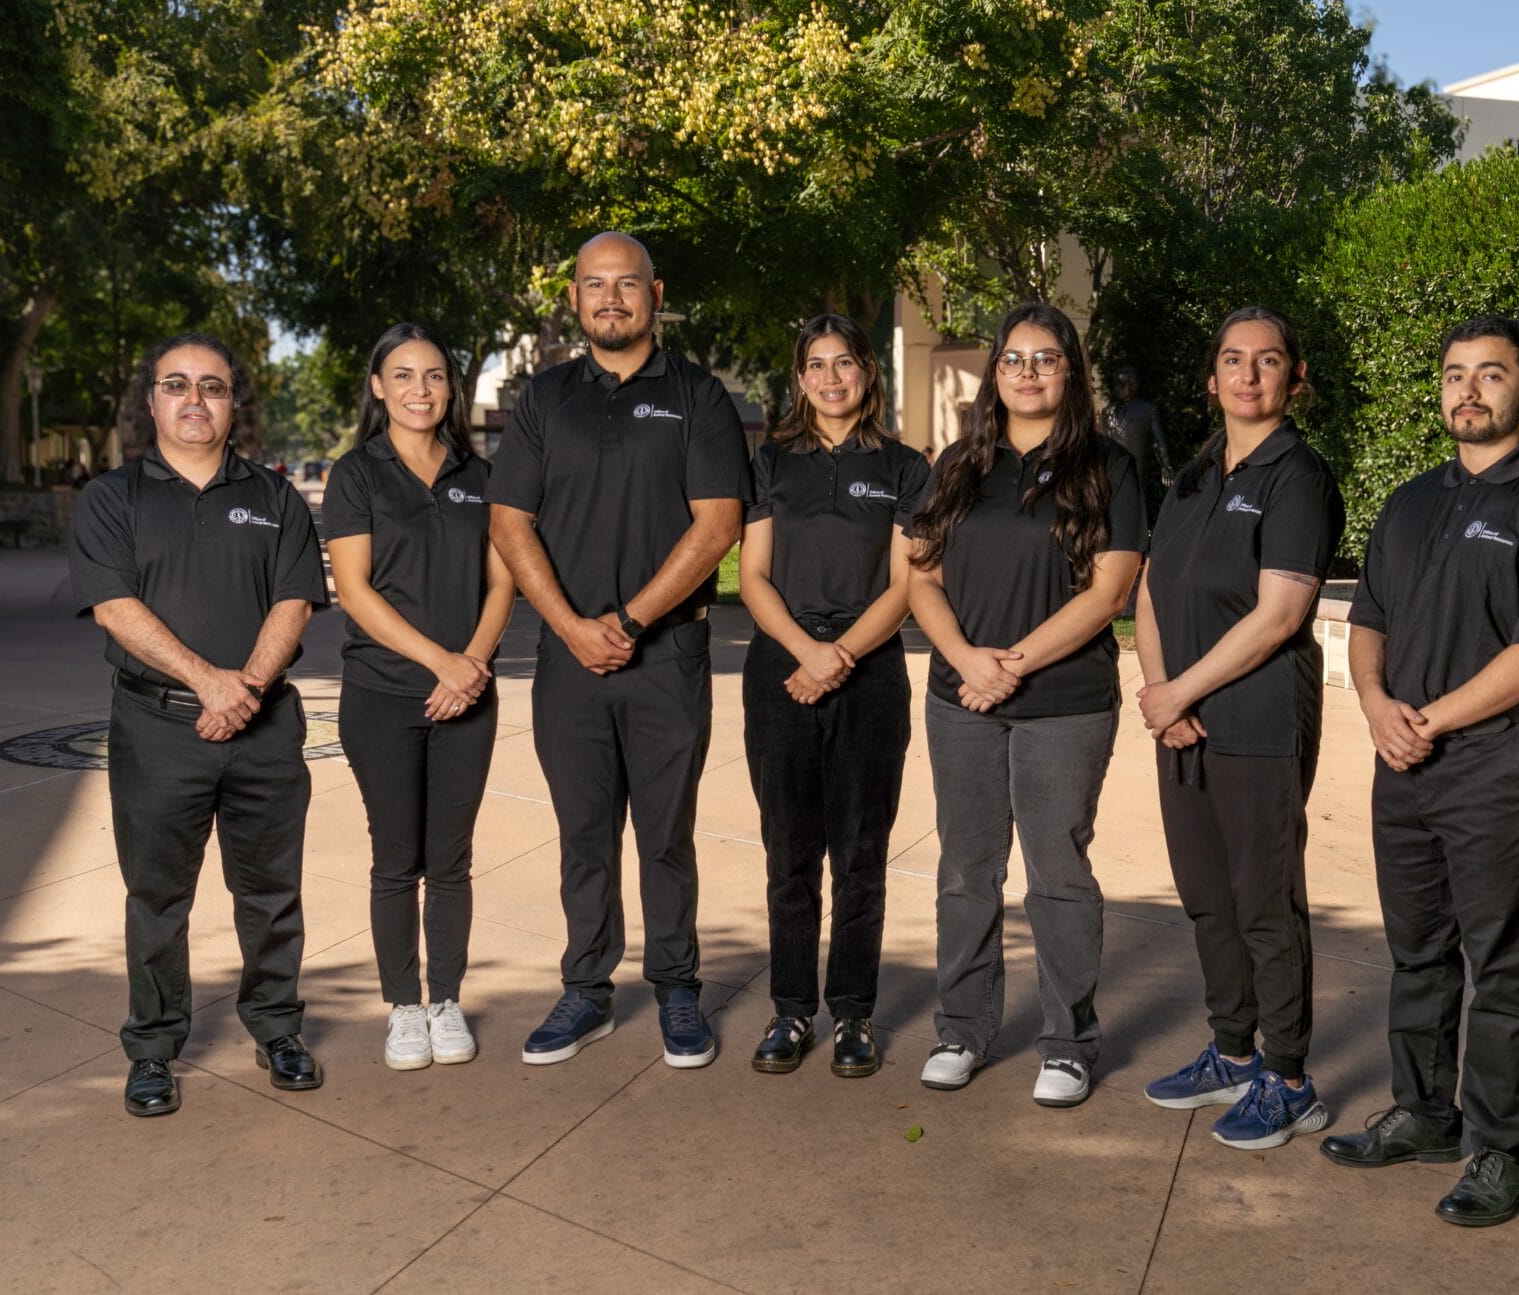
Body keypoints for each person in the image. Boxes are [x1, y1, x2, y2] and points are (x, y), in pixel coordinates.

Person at [1320, 315, 1519, 1228]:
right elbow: (1369, 621)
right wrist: (1373, 704)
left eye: (1491, 374)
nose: (1468, 390)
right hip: (1401, 759)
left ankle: (1502, 1150)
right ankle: (1425, 1112)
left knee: (1505, 966)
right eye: (1454, 374)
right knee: (1416, 951)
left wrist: (1425, 720)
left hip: (1492, 766)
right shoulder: (1407, 502)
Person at [489, 232, 749, 1070]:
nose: (611, 298)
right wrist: (570, 626)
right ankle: (587, 991)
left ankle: (677, 987)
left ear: (655, 293)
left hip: (666, 656)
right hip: (566, 658)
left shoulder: (698, 396)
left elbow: (717, 527)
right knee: (583, 832)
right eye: (594, 285)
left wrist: (629, 623)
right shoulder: (543, 398)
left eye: (626, 284)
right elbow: (508, 522)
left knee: (665, 833)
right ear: (573, 299)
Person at [68, 332, 328, 1116]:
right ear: (152, 402)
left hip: (264, 727)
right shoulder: (112, 498)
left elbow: (294, 602)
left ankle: (278, 1028)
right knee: (157, 898)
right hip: (156, 730)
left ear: (231, 403)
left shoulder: (275, 497)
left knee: (271, 892)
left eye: (211, 387)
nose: (193, 399)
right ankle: (152, 1048)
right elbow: (116, 607)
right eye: (176, 385)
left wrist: (243, 688)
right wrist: (208, 684)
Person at [905, 303, 1145, 1108]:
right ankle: (961, 1029)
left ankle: (1068, 1043)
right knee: (967, 868)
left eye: (1047, 359)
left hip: (1065, 704)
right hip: (959, 696)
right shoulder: (958, 464)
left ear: (1070, 371)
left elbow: (1109, 590)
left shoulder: (1109, 464)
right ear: (995, 371)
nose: (1029, 372)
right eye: (1015, 359)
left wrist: (1011, 665)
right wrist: (968, 659)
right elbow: (922, 576)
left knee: (1057, 872)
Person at [1134, 307, 1345, 1150]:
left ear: (1296, 380)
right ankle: (1230, 1050)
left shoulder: (1300, 476)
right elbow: (1151, 590)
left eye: (1267, 361)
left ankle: (1289, 1077)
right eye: (1232, 359)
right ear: (1211, 378)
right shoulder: (1192, 474)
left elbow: (1280, 613)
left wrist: (1179, 688)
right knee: (1207, 898)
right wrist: (1160, 691)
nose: (1247, 374)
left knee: (1264, 902)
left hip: (1256, 721)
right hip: (1180, 721)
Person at [738, 314, 928, 1078]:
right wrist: (808, 652)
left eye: (843, 363)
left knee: (860, 854)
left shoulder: (906, 467)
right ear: (799, 379)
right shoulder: (771, 461)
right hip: (781, 667)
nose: (830, 378)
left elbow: (907, 584)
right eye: (815, 366)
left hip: (871, 670)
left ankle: (853, 1014)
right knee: (790, 851)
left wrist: (841, 654)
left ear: (867, 373)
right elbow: (752, 576)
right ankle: (790, 1011)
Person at [324, 323, 516, 1071]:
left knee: (453, 858)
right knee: (396, 858)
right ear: (378, 386)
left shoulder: (480, 473)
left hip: (468, 693)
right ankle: (404, 1003)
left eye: (434, 375)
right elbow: (355, 591)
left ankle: (447, 1000)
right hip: (383, 694)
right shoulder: (356, 473)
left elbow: (503, 580)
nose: (419, 390)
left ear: (452, 386)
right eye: (402, 375)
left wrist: (471, 663)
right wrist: (442, 661)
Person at [1103, 365, 1174, 486]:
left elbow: (1158, 441)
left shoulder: (1147, 410)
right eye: (1116, 384)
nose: (1117, 388)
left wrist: (1165, 466)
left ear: (1133, 385)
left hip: (1135, 473)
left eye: (1121, 384)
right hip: (1110, 473)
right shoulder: (1109, 411)